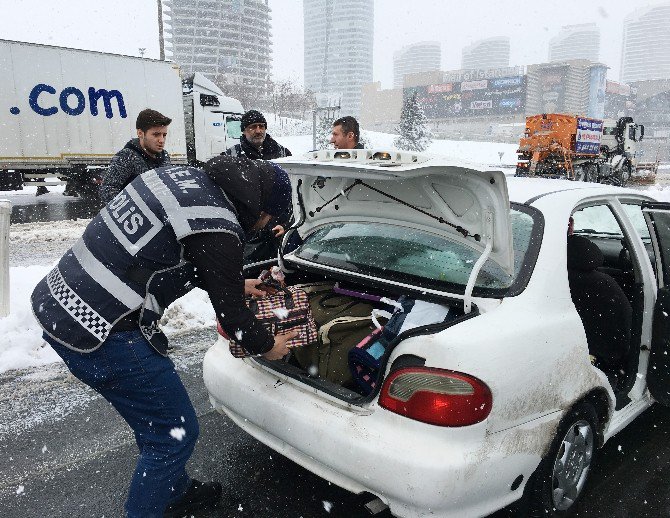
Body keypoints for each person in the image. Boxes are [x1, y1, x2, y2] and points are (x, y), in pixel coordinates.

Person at [31, 155, 297, 517]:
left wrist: (236, 283)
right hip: (102, 332)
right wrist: (269, 346)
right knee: (175, 432)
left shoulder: (181, 178)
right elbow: (234, 318)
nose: (265, 227)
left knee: (158, 424)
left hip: (58, 300)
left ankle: (171, 490)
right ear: (262, 208)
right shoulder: (219, 227)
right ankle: (151, 504)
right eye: (270, 220)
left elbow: (177, 249)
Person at [100, 109, 173, 204]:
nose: (162, 140)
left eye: (164, 135)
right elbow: (107, 189)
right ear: (140, 133)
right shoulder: (127, 156)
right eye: (156, 135)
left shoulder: (164, 157)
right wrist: (133, 207)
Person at [224, 109, 291, 160]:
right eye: (253, 127)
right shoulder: (231, 155)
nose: (258, 131)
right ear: (244, 131)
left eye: (261, 126)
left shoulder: (281, 152)